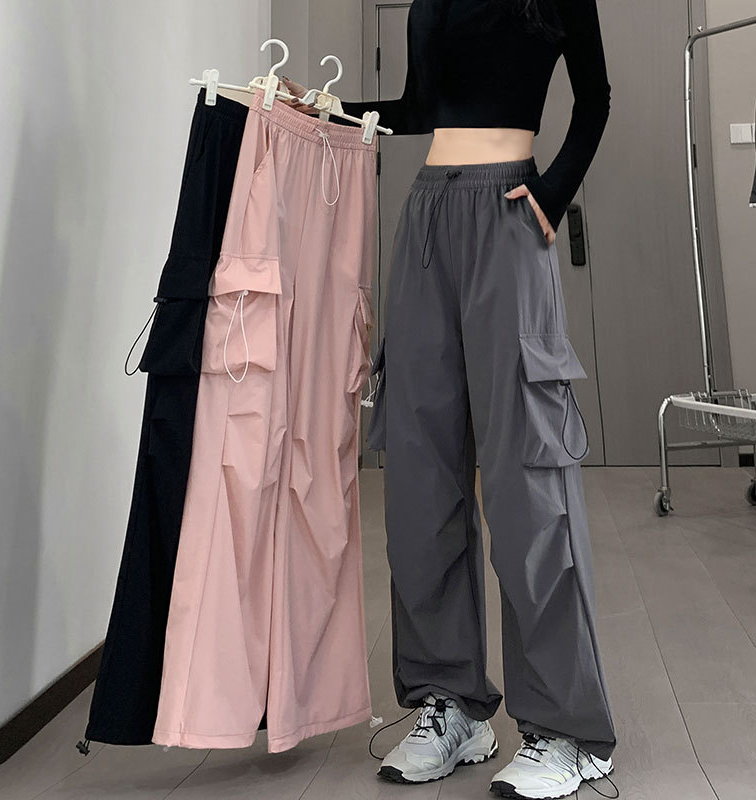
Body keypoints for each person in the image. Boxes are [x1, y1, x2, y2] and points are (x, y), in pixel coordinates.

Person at [280, 0, 618, 797]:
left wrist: (552, 193)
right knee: (420, 479)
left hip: (510, 214)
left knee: (527, 485)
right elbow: (420, 106)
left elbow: (596, 96)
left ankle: (569, 731)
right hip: (429, 216)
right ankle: (452, 703)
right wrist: (327, 109)